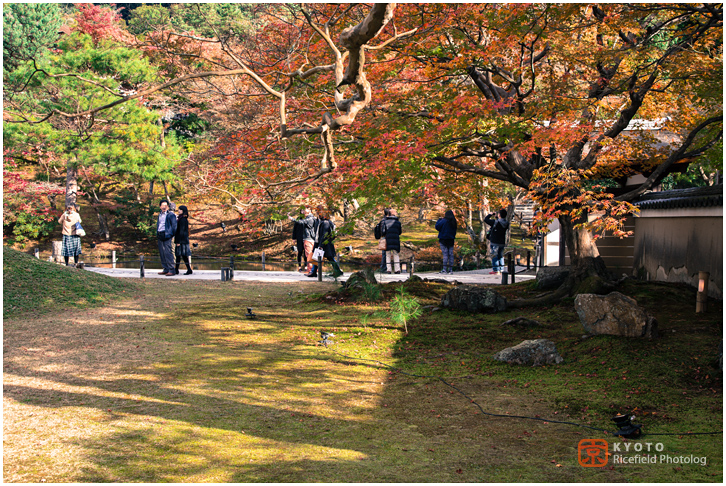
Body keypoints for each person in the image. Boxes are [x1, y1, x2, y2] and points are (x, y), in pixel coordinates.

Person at [308, 208, 343, 278]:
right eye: (317, 212)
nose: (318, 214)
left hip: (326, 244)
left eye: (319, 212)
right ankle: (313, 272)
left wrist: (321, 245)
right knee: (316, 257)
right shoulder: (318, 221)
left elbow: (325, 235)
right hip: (318, 242)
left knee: (330, 257)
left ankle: (337, 271)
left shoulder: (326, 223)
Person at [289, 208, 315, 273]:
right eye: (302, 210)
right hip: (300, 237)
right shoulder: (299, 219)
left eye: (304, 210)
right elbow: (295, 228)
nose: (303, 212)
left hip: (307, 237)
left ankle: (306, 266)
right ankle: (300, 266)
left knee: (306, 252)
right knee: (300, 251)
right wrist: (294, 238)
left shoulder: (309, 219)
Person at [484, 208, 509, 275]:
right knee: (500, 256)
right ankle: (501, 269)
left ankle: (496, 270)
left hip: (495, 241)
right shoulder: (506, 223)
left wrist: (490, 214)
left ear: (499, 215)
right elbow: (500, 222)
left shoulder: (495, 222)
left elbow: (486, 220)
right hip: (502, 242)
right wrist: (497, 217)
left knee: (494, 256)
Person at [157, 200, 177, 276]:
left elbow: (174, 226)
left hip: (167, 235)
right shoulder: (159, 215)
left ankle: (171, 269)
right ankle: (165, 268)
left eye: (166, 205)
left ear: (168, 207)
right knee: (162, 252)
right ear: (160, 206)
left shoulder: (170, 215)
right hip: (160, 234)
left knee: (168, 252)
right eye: (162, 205)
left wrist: (171, 234)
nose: (164, 207)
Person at [435, 209, 457, 274]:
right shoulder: (454, 221)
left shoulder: (443, 221)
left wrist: (439, 220)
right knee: (451, 254)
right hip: (451, 239)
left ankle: (444, 269)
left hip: (443, 239)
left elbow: (437, 227)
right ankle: (450, 269)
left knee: (445, 254)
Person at [382, 208, 402, 274]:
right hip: (396, 239)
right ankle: (397, 269)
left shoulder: (385, 222)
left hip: (388, 240)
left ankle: (389, 270)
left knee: (388, 255)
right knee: (396, 254)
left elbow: (383, 231)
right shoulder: (398, 222)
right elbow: (400, 232)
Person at [174, 205, 193, 275]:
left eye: (180, 210)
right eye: (178, 209)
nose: (179, 211)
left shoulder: (182, 219)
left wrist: (178, 241)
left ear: (183, 211)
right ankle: (177, 269)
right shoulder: (181, 218)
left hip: (182, 240)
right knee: (180, 255)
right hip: (183, 240)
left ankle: (186, 269)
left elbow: (181, 231)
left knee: (181, 255)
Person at [374, 208, 391, 272]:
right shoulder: (385, 221)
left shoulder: (383, 220)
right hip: (385, 238)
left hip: (384, 237)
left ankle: (384, 267)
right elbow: (383, 231)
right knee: (385, 253)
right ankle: (383, 267)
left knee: (385, 253)